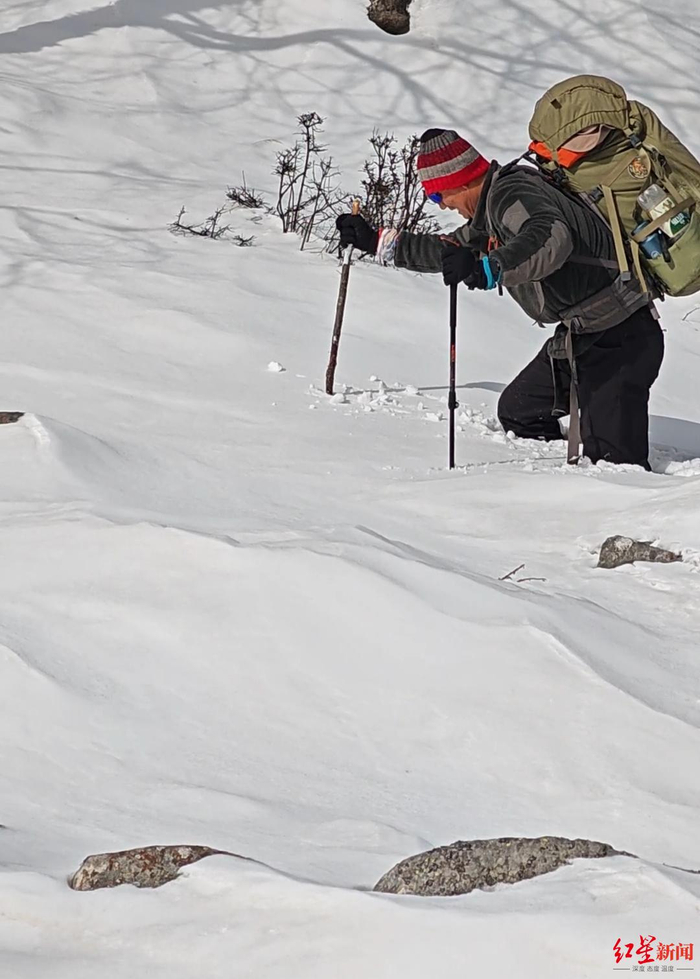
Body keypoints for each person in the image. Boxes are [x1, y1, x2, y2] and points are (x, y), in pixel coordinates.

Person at [336, 128, 664, 470]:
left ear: (460, 181)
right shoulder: (491, 212)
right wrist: (376, 241)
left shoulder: (511, 194)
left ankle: (598, 471)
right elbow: (451, 250)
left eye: (437, 195)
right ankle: (556, 471)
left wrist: (490, 268)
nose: (443, 205)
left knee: (616, 468)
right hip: (581, 337)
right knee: (519, 412)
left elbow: (551, 236)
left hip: (620, 338)